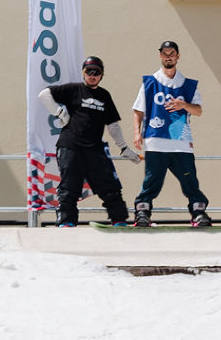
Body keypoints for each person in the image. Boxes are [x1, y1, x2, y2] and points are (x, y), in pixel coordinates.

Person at [39, 55, 135, 227]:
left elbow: (113, 125)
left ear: (101, 75)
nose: (92, 75)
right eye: (88, 71)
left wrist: (124, 148)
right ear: (83, 73)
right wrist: (60, 113)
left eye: (96, 72)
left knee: (110, 185)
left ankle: (119, 220)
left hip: (95, 149)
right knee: (69, 187)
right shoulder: (74, 89)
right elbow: (44, 94)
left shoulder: (104, 95)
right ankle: (66, 222)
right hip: (70, 146)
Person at [130, 40, 210, 228]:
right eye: (165, 53)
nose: (168, 56)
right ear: (160, 55)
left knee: (190, 179)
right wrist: (136, 133)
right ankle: (142, 211)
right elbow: (138, 110)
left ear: (177, 56)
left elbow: (198, 111)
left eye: (171, 53)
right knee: (151, 180)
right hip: (155, 140)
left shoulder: (188, 85)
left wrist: (183, 105)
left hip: (181, 141)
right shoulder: (149, 82)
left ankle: (198, 211)